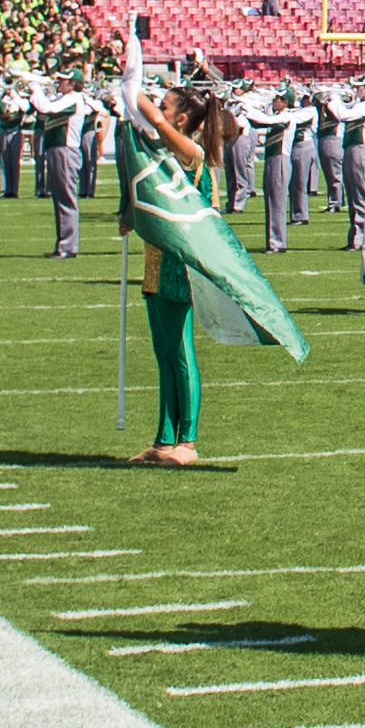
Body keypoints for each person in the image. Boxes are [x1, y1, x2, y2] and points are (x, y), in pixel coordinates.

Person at [124, 84, 226, 464]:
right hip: (155, 261)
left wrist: (131, 89)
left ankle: (188, 440)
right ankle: (163, 440)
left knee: (181, 353)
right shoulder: (165, 153)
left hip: (179, 265)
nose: (159, 109)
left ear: (181, 118)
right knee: (163, 354)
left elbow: (154, 120)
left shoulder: (192, 153)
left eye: (165, 106)